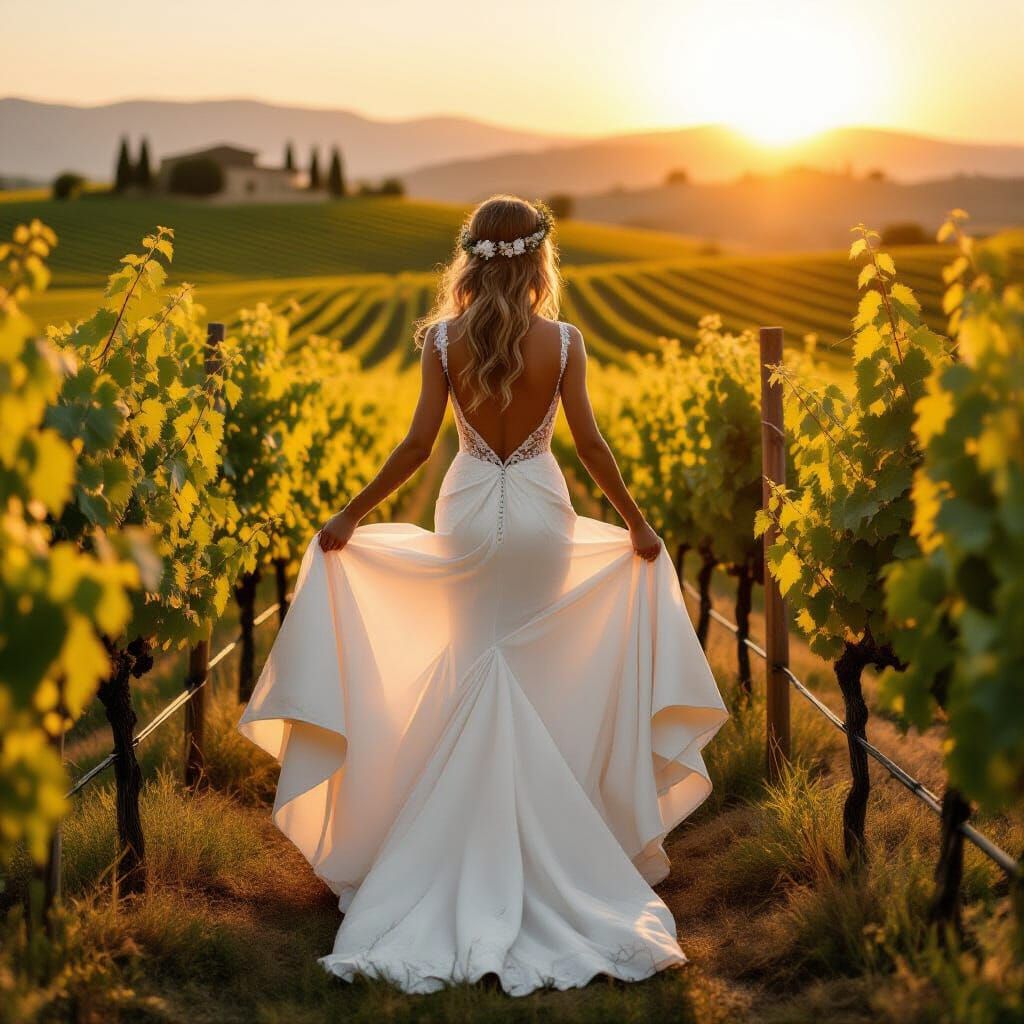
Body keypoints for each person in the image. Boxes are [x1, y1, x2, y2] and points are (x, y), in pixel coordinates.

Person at [238, 195, 728, 996]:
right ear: (539, 259)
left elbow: (417, 445)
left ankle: (449, 850)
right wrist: (638, 525)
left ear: (470, 257)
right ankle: (552, 849)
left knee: (474, 670)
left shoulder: (441, 340)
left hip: (467, 511)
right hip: (540, 519)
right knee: (535, 680)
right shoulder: (565, 343)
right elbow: (591, 444)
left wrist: (350, 515)